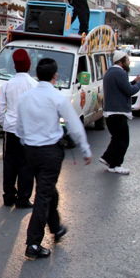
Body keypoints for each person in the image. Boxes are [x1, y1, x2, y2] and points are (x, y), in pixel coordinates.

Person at [16, 58, 91, 260]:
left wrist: (25, 141)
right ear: (55, 76)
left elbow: (19, 126)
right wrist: (85, 149)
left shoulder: (25, 98)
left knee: (48, 190)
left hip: (30, 150)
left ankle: (56, 227)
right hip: (50, 152)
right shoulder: (57, 97)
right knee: (44, 195)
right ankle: (33, 243)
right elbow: (74, 124)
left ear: (37, 74)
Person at [0, 49, 37, 208]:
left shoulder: (7, 84)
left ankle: (9, 196)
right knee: (27, 165)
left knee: (9, 163)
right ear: (29, 65)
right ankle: (23, 198)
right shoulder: (34, 85)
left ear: (14, 66)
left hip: (11, 129)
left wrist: (4, 123)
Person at [99, 50, 140, 175]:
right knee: (123, 140)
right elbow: (129, 91)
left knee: (117, 138)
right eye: (127, 60)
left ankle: (107, 158)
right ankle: (116, 165)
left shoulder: (110, 72)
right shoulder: (120, 73)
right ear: (121, 61)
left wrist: (135, 81)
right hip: (118, 112)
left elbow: (122, 87)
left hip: (111, 112)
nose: (129, 62)